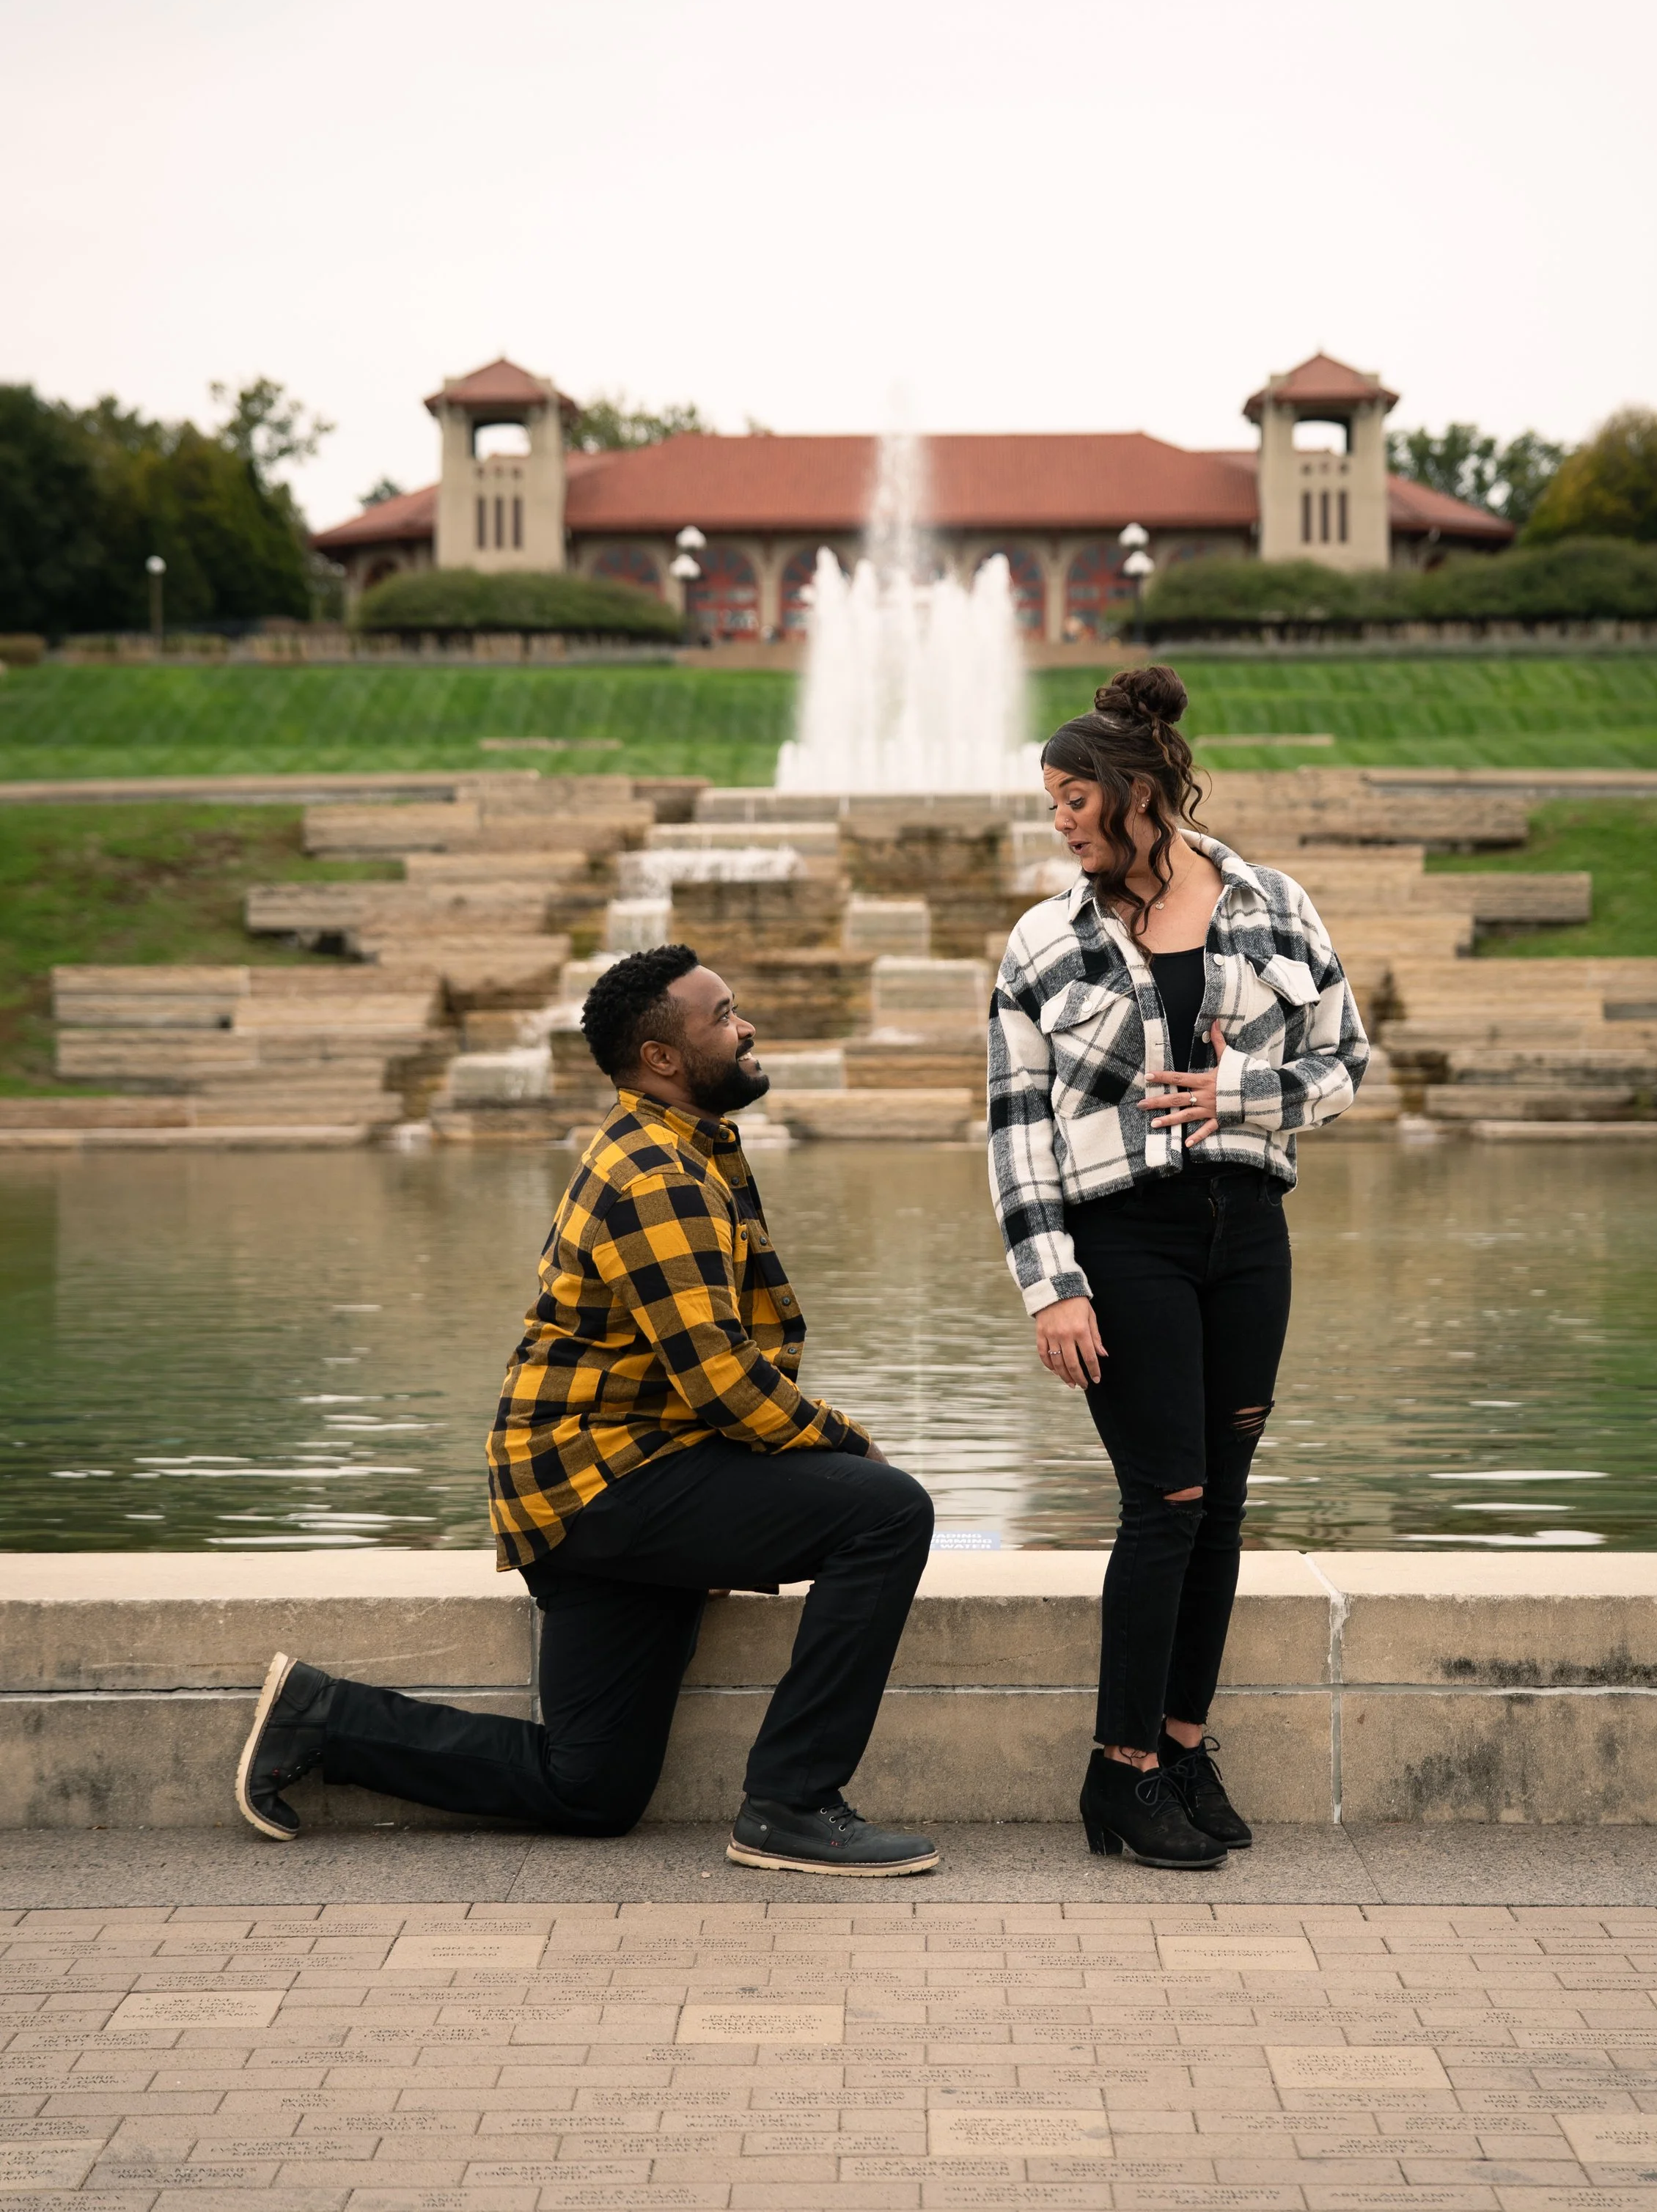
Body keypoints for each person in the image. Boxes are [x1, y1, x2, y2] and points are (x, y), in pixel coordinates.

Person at [235, 944, 939, 1876]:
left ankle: (324, 1717)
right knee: (887, 1512)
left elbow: (701, 1383)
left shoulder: (669, 1148)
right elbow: (721, 1376)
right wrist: (855, 1447)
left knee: (591, 1789)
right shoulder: (657, 1174)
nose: (747, 1024)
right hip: (604, 1481)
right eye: (723, 1014)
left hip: (593, 1482)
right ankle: (793, 1800)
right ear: (661, 1058)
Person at [988, 665, 1367, 1868]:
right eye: (1050, 802)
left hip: (1249, 1233)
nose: (1059, 821)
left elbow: (1349, 1060)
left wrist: (1246, 1088)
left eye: (1071, 799)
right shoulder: (1044, 941)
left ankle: (1185, 1742)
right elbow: (1015, 1125)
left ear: (1135, 790)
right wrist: (1052, 1284)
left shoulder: (1272, 904)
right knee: (1166, 1501)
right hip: (1122, 1237)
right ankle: (1121, 1773)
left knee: (1225, 1502)